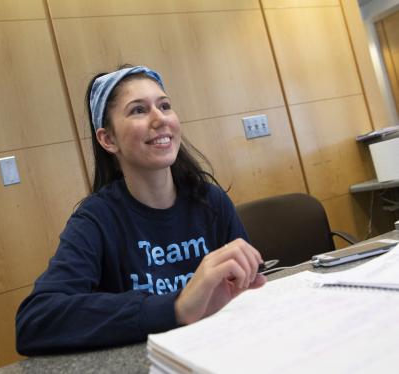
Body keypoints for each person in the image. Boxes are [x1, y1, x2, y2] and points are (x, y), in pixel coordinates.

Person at [16, 65, 266, 355]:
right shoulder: (96, 219)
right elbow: (35, 320)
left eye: (165, 106)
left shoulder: (209, 200)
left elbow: (249, 290)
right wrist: (176, 306)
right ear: (108, 140)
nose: (160, 119)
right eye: (138, 110)